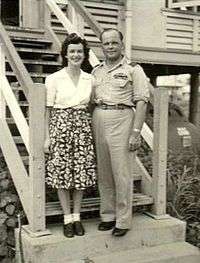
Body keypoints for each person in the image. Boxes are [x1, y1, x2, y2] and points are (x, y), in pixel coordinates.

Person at [92, 28, 149, 237]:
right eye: (106, 43)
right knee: (104, 172)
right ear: (102, 47)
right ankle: (107, 215)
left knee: (122, 173)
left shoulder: (134, 69)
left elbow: (142, 102)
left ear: (121, 45)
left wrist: (136, 132)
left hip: (122, 119)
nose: (110, 47)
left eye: (114, 43)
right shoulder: (96, 71)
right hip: (99, 118)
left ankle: (123, 220)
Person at [44, 33, 96, 238]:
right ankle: (67, 218)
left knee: (81, 172)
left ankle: (77, 216)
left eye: (79, 51)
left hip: (82, 127)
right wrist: (47, 137)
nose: (75, 55)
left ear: (84, 55)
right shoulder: (54, 78)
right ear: (65, 54)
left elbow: (91, 105)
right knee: (62, 174)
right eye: (71, 51)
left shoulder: (89, 79)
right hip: (60, 126)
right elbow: (48, 110)